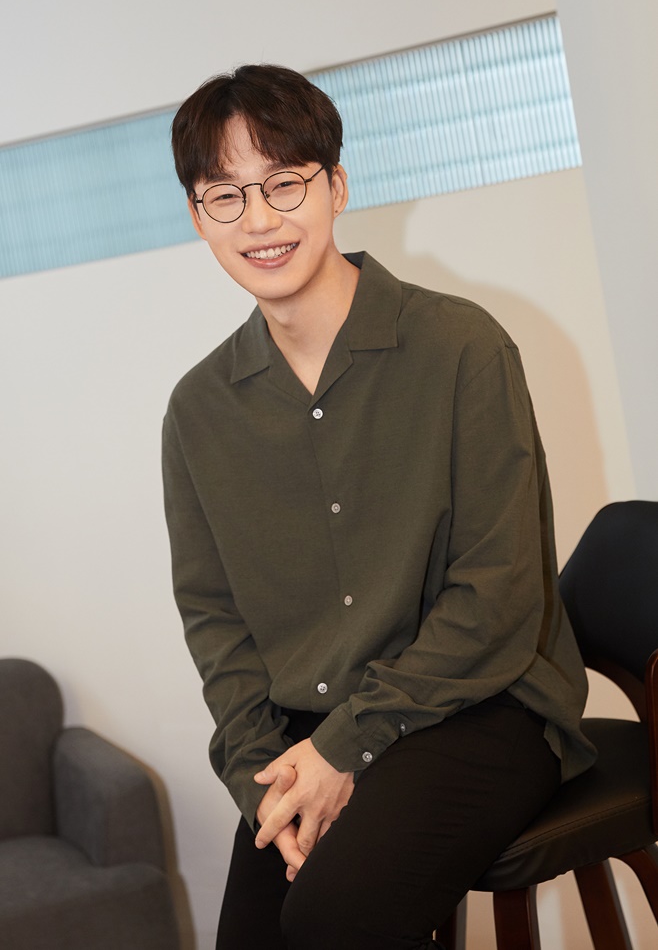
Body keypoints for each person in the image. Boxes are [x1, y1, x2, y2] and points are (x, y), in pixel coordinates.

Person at [162, 64, 596, 950]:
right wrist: (264, 781)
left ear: (337, 185)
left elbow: (497, 597)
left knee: (333, 916)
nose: (259, 219)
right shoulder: (198, 410)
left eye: (285, 183)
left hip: (486, 703)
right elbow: (217, 625)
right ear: (198, 217)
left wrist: (343, 749)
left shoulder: (462, 347)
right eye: (226, 195)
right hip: (312, 722)